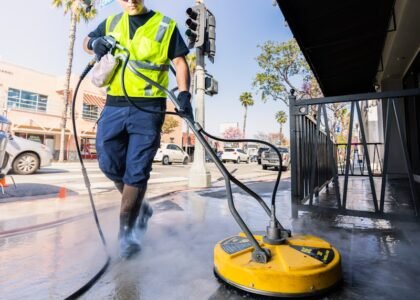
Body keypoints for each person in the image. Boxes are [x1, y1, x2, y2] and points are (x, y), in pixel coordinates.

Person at [83, 0, 193, 259]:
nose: (130, 1)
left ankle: (127, 234)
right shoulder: (111, 22)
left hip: (149, 108)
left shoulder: (165, 25)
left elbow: (179, 62)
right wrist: (94, 44)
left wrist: (185, 93)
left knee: (138, 168)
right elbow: (87, 41)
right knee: (107, 161)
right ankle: (140, 208)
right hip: (114, 104)